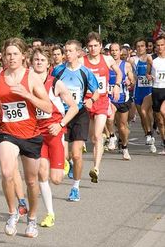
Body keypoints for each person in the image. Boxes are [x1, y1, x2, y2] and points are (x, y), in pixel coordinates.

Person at [0, 38, 52, 238]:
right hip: (8, 132)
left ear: (23, 56)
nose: (11, 57)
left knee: (32, 182)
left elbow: (48, 107)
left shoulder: (31, 78)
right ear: (3, 57)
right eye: (8, 54)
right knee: (7, 172)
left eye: (15, 54)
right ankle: (12, 212)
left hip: (31, 135)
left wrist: (28, 95)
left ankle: (32, 219)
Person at [30, 47, 78, 228]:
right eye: (36, 60)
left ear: (49, 63)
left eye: (42, 60)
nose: (39, 62)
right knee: (42, 172)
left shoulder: (55, 83)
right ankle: (50, 213)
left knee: (56, 180)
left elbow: (73, 107)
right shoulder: (28, 84)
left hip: (55, 132)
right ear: (31, 63)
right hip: (37, 133)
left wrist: (60, 124)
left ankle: (65, 163)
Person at [51, 40, 100, 202]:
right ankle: (69, 163)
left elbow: (97, 92)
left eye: (70, 51)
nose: (67, 54)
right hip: (62, 116)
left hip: (79, 114)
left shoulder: (85, 72)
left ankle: (75, 188)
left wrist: (92, 100)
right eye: (65, 51)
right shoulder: (58, 71)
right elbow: (49, 89)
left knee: (77, 154)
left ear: (79, 53)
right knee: (64, 155)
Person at [82, 32, 123, 183]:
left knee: (97, 135)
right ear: (87, 47)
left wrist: (117, 86)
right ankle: (103, 138)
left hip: (102, 101)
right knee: (93, 137)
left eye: (95, 46)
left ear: (100, 46)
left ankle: (96, 168)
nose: (93, 49)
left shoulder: (107, 59)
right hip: (86, 102)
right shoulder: (82, 60)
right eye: (90, 46)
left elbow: (119, 72)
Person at [107, 43, 134, 160]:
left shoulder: (126, 65)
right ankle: (112, 136)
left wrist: (130, 81)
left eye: (116, 50)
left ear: (120, 52)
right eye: (112, 50)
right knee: (110, 118)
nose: (114, 52)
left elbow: (132, 79)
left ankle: (124, 147)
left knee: (122, 127)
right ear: (109, 52)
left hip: (123, 98)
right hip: (109, 97)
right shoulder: (107, 65)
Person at [130, 38, 154, 149]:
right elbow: (131, 75)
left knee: (147, 112)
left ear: (146, 47)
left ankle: (150, 133)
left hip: (149, 90)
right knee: (142, 115)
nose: (140, 48)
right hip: (138, 90)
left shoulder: (151, 58)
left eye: (142, 46)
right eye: (138, 46)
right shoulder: (132, 60)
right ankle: (148, 134)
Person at [147, 35, 165, 154]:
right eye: (157, 45)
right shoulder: (151, 59)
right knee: (160, 120)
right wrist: (149, 76)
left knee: (164, 111)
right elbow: (147, 74)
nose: (160, 47)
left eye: (162, 45)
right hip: (156, 90)